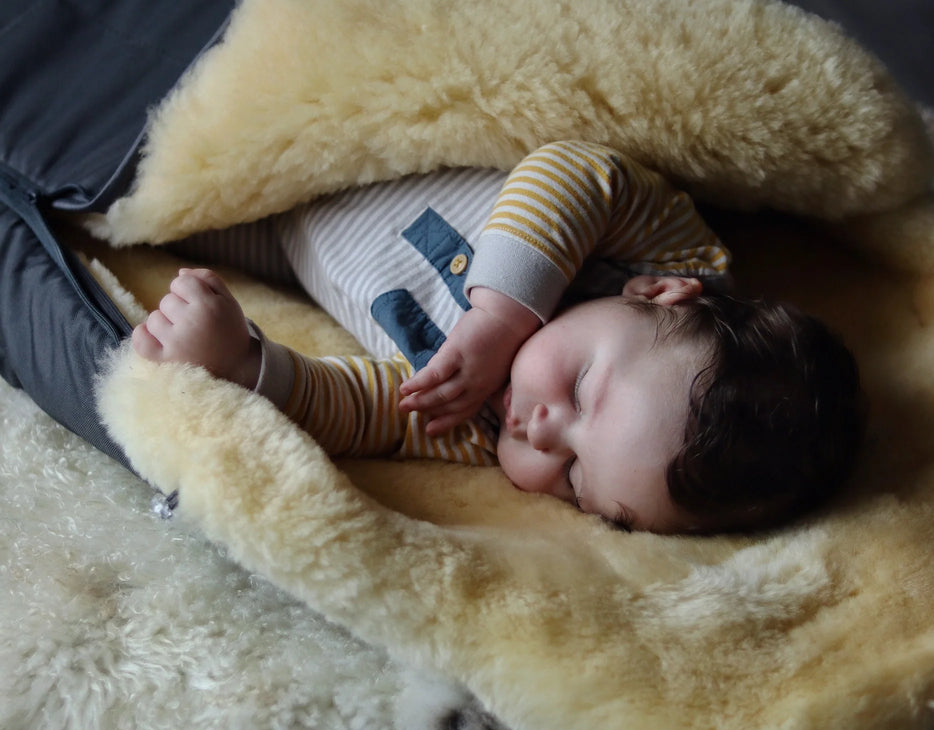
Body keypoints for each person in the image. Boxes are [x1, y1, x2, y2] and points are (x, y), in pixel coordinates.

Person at [131, 141, 865, 534]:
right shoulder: (657, 257)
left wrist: (244, 363)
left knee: (141, 193)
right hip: (357, 133)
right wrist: (501, 317)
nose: (543, 437)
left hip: (271, 229)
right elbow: (575, 169)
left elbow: (363, 411)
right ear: (658, 297)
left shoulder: (480, 430)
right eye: (582, 390)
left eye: (577, 480)